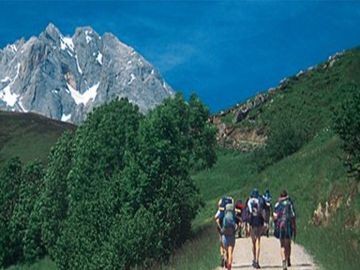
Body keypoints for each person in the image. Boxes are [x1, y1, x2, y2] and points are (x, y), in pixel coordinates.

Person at [273, 190, 296, 270]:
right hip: (288, 226)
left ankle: (283, 261)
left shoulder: (277, 204)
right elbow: (293, 216)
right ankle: (287, 259)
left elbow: (275, 217)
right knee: (288, 244)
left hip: (280, 227)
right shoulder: (290, 204)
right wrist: (294, 227)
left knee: (282, 245)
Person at [214, 196, 234, 267]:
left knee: (222, 244)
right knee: (229, 245)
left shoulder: (220, 210)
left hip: (222, 229)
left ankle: (223, 256)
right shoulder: (231, 211)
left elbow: (215, 217)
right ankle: (228, 260)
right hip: (230, 230)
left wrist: (219, 227)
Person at [248, 188, 264, 269]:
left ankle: (254, 259)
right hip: (259, 221)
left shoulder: (249, 201)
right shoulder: (260, 201)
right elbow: (262, 213)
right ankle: (257, 260)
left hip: (252, 222)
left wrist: (247, 226)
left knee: (253, 242)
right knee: (258, 241)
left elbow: (247, 214)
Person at [217, 203, 237, 270]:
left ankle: (225, 258)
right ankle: (229, 264)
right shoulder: (233, 216)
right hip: (232, 234)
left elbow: (217, 220)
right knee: (230, 250)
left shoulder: (223, 215)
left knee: (225, 250)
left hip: (224, 235)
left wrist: (220, 229)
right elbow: (238, 224)